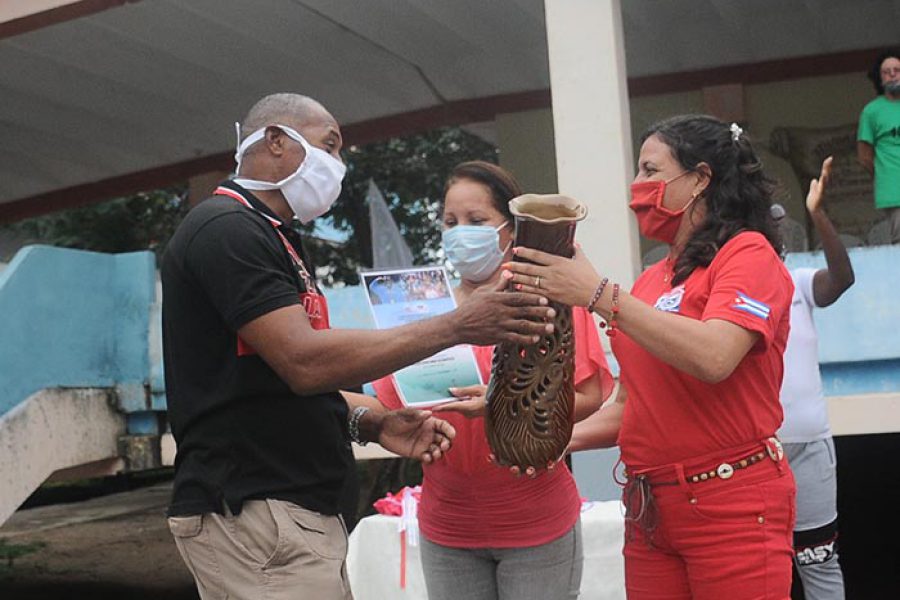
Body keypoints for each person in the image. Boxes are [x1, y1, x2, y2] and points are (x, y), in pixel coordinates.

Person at [161, 93, 555, 600]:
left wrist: (370, 422)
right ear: (276, 142)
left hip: (287, 516)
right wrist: (456, 326)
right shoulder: (227, 230)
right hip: (257, 511)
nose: (339, 165)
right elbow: (302, 361)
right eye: (330, 146)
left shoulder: (274, 237)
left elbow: (275, 382)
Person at [503, 115, 797, 599]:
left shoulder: (748, 255)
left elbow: (715, 355)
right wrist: (546, 443)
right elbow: (630, 406)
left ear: (701, 178)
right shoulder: (652, 279)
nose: (636, 187)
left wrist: (598, 293)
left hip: (732, 503)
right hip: (650, 508)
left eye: (650, 171)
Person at [371, 161, 616, 600]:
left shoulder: (548, 297)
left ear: (509, 228)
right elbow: (391, 405)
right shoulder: (423, 308)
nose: (460, 232)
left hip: (536, 521)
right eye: (450, 222)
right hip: (447, 526)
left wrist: (506, 401)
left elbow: (591, 393)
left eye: (476, 220)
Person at [776, 157, 855, 600]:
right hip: (753, 453)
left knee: (818, 561)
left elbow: (842, 278)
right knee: (757, 563)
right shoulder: (729, 292)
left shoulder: (798, 283)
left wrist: (819, 214)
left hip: (810, 451)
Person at [858, 47, 900, 243]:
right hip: (893, 190)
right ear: (879, 79)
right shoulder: (871, 111)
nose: (892, 75)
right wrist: (886, 174)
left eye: (897, 70)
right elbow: (865, 156)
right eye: (886, 72)